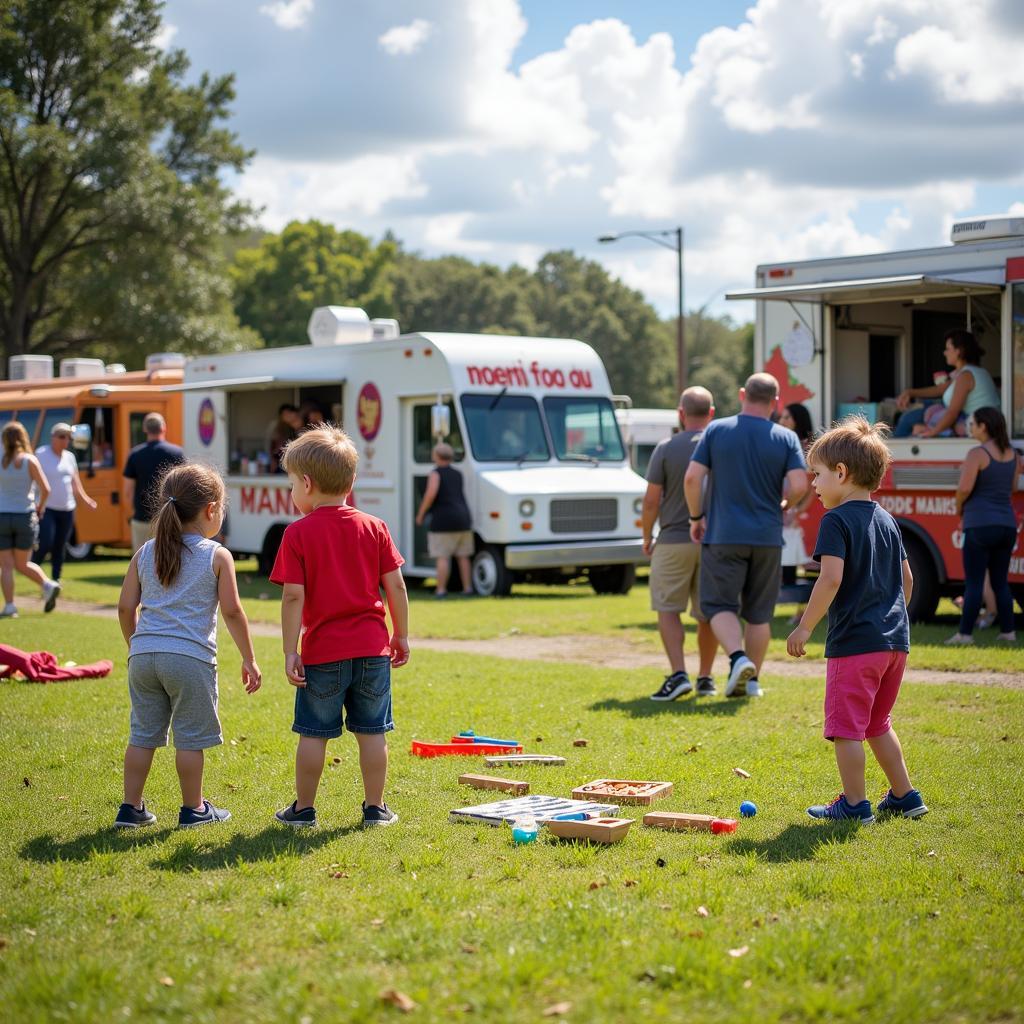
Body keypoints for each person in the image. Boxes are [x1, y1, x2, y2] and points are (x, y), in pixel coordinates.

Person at [787, 416, 927, 824]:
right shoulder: (887, 520)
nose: (813, 484)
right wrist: (895, 621)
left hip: (856, 645)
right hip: (893, 643)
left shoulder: (835, 521)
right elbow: (907, 579)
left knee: (846, 729)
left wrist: (805, 626)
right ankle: (904, 795)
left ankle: (853, 804)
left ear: (842, 473)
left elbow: (830, 579)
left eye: (817, 475)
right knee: (878, 722)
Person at [270, 425, 409, 829]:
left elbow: (293, 597)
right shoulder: (375, 527)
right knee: (373, 734)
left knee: (313, 734)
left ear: (308, 484)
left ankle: (304, 809)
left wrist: (289, 649)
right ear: (352, 481)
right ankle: (375, 808)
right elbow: (395, 585)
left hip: (323, 654)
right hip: (372, 651)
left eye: (292, 484)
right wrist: (400, 634)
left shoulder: (296, 534)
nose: (292, 492)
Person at [114, 464, 261, 829]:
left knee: (142, 735)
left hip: (143, 658)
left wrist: (137, 644)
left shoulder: (145, 551)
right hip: (190, 659)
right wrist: (250, 658)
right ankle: (194, 809)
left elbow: (124, 606)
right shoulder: (217, 554)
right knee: (190, 740)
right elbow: (232, 611)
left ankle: (130, 809)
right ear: (211, 510)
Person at [684, 373, 808, 698]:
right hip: (767, 536)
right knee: (759, 613)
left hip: (723, 534)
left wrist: (696, 517)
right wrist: (783, 505)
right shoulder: (785, 437)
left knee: (718, 604)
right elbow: (799, 485)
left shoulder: (717, 430)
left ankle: (738, 659)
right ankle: (752, 682)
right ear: (776, 402)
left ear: (742, 394)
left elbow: (692, 479)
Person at [642, 386, 719, 700]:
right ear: (711, 413)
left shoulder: (665, 447)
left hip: (673, 538)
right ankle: (705, 677)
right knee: (708, 613)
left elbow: (650, 501)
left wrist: (647, 537)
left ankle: (678, 674)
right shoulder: (721, 445)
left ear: (681, 414)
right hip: (714, 541)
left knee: (668, 608)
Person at [945, 407, 1019, 646]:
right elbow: (1014, 488)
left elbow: (964, 489)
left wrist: (958, 508)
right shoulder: (1013, 455)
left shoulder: (977, 454)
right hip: (1007, 525)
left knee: (975, 582)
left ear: (984, 426)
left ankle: (964, 635)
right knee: (1000, 582)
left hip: (978, 525)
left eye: (973, 424)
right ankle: (1008, 632)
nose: (971, 428)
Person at [0, 422, 61, 617]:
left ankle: (10, 606)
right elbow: (46, 489)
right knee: (23, 563)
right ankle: (47, 584)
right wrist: (40, 508)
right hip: (25, 515)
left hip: (2, 515)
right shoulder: (30, 460)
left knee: (6, 566)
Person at [893, 329, 999, 438]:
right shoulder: (971, 372)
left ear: (958, 351)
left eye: (948, 349)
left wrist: (932, 432)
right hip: (976, 422)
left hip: (974, 425)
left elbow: (952, 413)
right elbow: (941, 389)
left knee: (909, 419)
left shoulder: (966, 376)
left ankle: (890, 452)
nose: (944, 352)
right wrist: (909, 392)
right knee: (917, 414)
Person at [35, 422, 97, 584]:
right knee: (46, 542)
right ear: (53, 437)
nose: (65, 440)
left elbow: (75, 483)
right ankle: (33, 570)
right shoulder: (41, 454)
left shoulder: (69, 457)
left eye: (68, 437)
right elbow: (33, 478)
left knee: (60, 545)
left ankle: (56, 579)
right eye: (62, 436)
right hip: (47, 507)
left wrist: (86, 500)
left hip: (67, 508)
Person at [415, 442, 474, 598]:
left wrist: (421, 514)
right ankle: (468, 589)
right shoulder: (458, 473)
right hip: (463, 518)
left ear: (436, 456)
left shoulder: (435, 474)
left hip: (444, 520)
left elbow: (430, 495)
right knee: (463, 556)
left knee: (443, 556)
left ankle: (441, 590)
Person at [123, 413, 185, 552]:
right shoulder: (177, 453)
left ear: (145, 429)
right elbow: (183, 488)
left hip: (141, 517)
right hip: (169, 518)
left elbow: (127, 492)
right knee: (169, 562)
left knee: (141, 564)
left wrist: (132, 514)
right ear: (163, 428)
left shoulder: (135, 454)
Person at [778, 403, 815, 623]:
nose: (782, 421)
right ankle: (800, 611)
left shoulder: (806, 448)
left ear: (797, 420)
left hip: (798, 518)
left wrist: (798, 510)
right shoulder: (786, 444)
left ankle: (804, 612)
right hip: (788, 515)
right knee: (791, 563)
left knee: (806, 564)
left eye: (787, 418)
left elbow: (810, 487)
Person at [268, 404, 303, 472]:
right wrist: (273, 459)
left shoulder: (306, 427)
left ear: (295, 413)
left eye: (289, 413)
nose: (288, 416)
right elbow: (276, 449)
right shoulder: (285, 431)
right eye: (284, 414)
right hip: (286, 466)